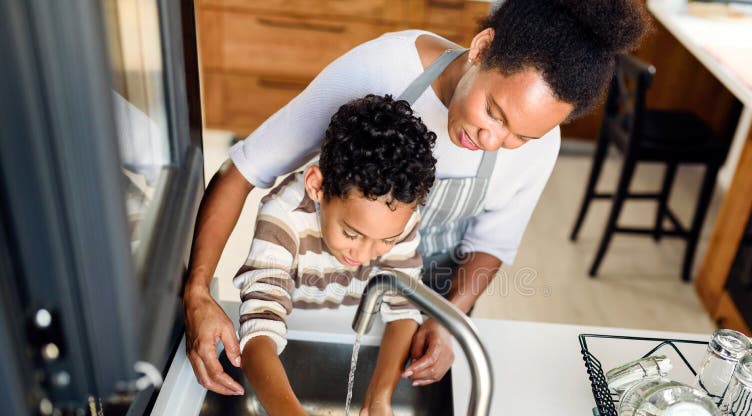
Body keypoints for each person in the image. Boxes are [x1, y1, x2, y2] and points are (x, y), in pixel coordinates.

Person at [183, 0, 650, 396]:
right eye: (493, 111)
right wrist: (198, 291)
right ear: (482, 49)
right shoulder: (383, 68)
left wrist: (449, 320)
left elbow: (493, 245)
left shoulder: (539, 147)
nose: (492, 139)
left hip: (417, 314)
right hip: (313, 303)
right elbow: (241, 170)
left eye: (518, 136)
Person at [235, 94, 437, 416]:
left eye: (385, 241)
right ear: (317, 186)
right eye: (350, 233)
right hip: (295, 327)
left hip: (354, 325)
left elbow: (402, 309)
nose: (364, 254)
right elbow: (258, 334)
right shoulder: (282, 217)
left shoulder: (399, 214)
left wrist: (379, 398)